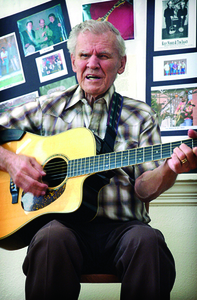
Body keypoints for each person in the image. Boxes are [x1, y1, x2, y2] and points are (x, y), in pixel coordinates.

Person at [0, 20, 197, 300]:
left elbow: (144, 188)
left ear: (121, 63)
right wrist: (11, 162)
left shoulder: (141, 115)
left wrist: (170, 168)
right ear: (73, 61)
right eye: (84, 55)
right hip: (63, 229)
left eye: (103, 56)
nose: (92, 64)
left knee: (148, 241)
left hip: (124, 230)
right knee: (50, 238)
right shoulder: (47, 107)